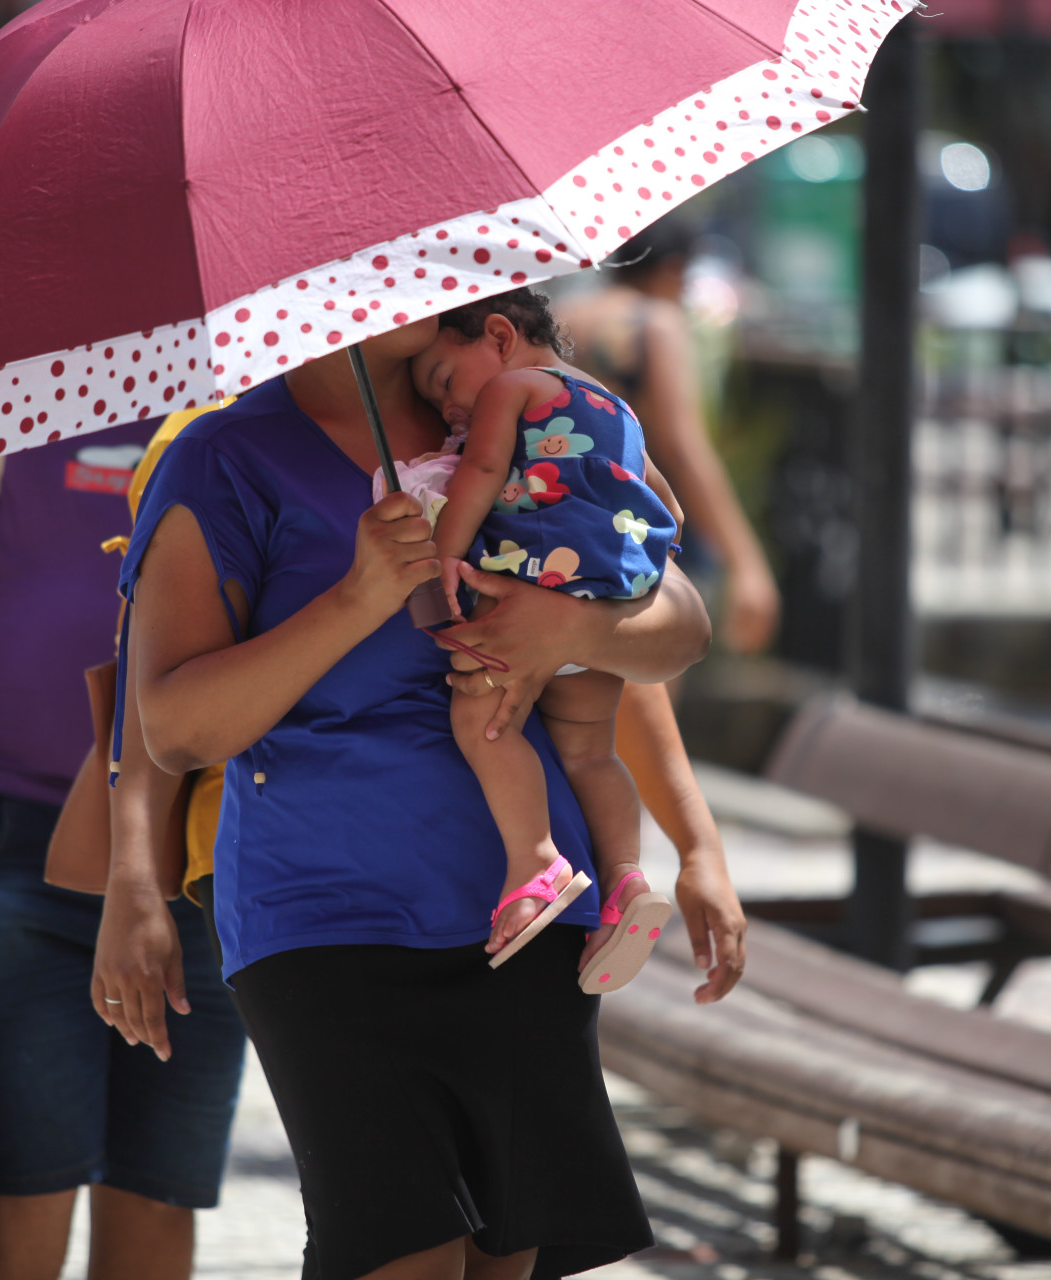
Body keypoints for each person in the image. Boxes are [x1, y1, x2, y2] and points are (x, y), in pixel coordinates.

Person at [110, 316, 711, 1279]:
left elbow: (678, 622)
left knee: (498, 1261)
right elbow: (176, 727)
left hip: (526, 912)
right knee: (399, 1255)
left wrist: (570, 623)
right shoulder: (216, 457)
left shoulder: (518, 404)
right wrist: (355, 596)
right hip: (324, 914)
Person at [0, 420, 246, 1280]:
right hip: (5, 837)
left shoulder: (250, 389)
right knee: (20, 1184)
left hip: (200, 850)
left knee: (160, 1194)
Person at [394, 290, 676, 986]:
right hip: (606, 595)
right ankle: (625, 883)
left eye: (443, 380)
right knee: (590, 752)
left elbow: (484, 474)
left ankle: (536, 863)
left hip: (530, 581)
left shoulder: (514, 389)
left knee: (481, 721)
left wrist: (447, 557)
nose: (447, 408)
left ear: (496, 334)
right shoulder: (619, 409)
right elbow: (666, 506)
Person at [557, 217, 781, 655]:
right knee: (649, 676)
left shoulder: (566, 316)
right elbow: (682, 448)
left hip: (561, 511)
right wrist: (748, 563)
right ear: (673, 269)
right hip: (637, 519)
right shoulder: (655, 322)